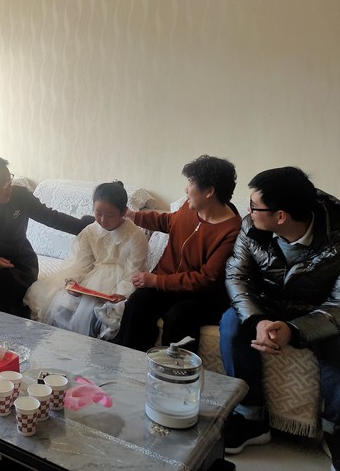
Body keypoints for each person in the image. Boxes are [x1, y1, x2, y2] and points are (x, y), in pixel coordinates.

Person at [219, 167, 340, 463]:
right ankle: (250, 419)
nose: (248, 212)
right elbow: (236, 276)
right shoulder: (251, 227)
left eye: (254, 206)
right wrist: (257, 320)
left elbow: (339, 303)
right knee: (231, 324)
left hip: (318, 309)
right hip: (267, 304)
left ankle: (335, 430)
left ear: (281, 216)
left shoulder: (337, 235)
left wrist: (295, 330)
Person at [112, 155, 241, 353]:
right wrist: (133, 216)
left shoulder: (231, 230)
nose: (186, 189)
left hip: (201, 295)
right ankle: (129, 362)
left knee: (180, 315)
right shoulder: (190, 207)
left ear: (209, 192)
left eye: (190, 183)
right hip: (169, 284)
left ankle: (173, 369)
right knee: (138, 301)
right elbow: (168, 221)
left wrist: (156, 281)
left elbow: (206, 278)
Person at [0, 155, 94, 317]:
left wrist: (91, 225)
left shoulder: (20, 196)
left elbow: (52, 218)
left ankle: (7, 330)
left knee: (2, 282)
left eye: (9, 179)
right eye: (3, 183)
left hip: (18, 262)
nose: (10, 186)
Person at [24, 181, 148, 339]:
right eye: (98, 213)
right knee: (61, 302)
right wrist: (73, 281)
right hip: (92, 277)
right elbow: (82, 262)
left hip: (120, 280)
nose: (103, 220)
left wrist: (122, 293)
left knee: (105, 314)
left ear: (123, 212)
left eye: (110, 215)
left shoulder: (136, 236)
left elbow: (133, 272)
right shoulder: (90, 230)